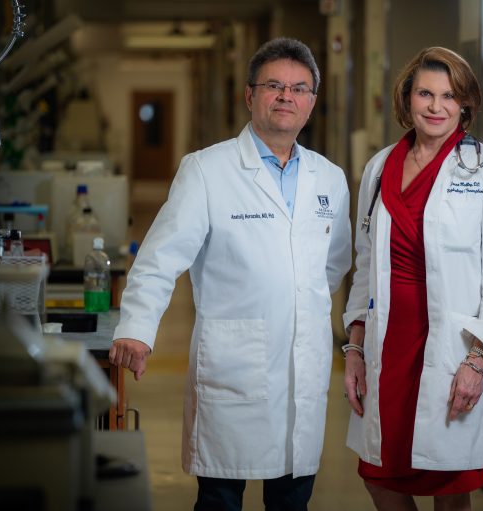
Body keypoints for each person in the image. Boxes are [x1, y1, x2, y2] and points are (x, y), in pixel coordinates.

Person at [109, 37, 351, 511]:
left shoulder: (330, 178)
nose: (287, 96)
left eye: (300, 89)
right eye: (274, 86)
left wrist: (293, 294)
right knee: (220, 497)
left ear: (312, 104)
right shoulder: (206, 170)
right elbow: (160, 258)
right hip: (232, 362)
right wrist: (137, 329)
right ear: (249, 96)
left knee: (293, 498)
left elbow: (333, 262)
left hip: (303, 362)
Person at [341, 47, 483, 511]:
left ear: (465, 105)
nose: (436, 106)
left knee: (450, 484)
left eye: (449, 96)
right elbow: (364, 266)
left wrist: (477, 361)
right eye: (425, 93)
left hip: (450, 348)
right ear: (408, 97)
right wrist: (355, 348)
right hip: (389, 343)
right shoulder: (379, 168)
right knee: (380, 474)